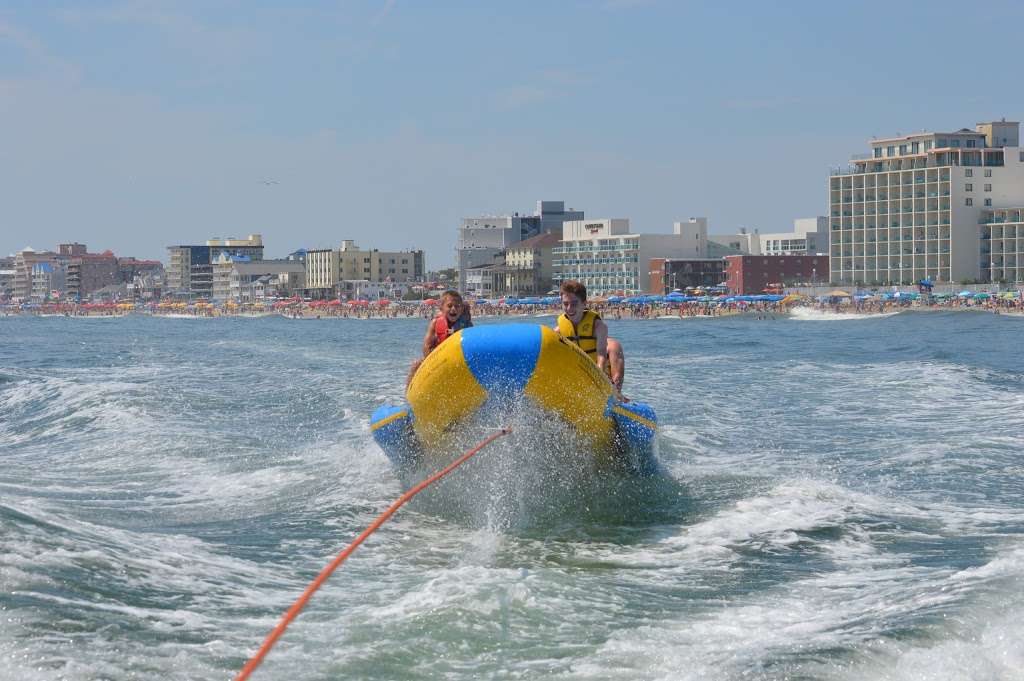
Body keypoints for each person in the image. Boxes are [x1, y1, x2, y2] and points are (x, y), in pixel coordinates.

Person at [555, 280, 627, 399]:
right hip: (577, 380)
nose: (569, 308)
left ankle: (616, 397)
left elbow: (601, 356)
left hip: (601, 378)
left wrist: (597, 381)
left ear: (584, 303)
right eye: (565, 304)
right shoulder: (559, 330)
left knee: (614, 346)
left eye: (574, 304)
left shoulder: (598, 326)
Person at [406, 290, 472, 387]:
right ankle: (410, 394)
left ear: (461, 309)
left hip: (460, 360)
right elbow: (426, 347)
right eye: (449, 306)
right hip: (439, 361)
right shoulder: (435, 323)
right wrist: (436, 363)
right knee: (416, 364)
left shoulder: (466, 324)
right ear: (442, 308)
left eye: (457, 306)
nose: (453, 309)